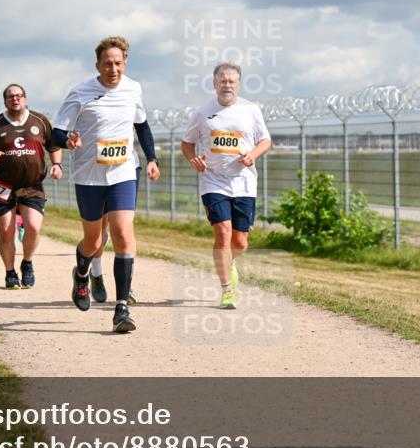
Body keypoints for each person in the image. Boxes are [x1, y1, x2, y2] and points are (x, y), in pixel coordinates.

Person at [52, 36, 160, 333]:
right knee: (95, 242)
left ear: (125, 62)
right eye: (107, 64)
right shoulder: (80, 92)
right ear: (97, 65)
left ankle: (121, 308)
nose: (113, 69)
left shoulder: (133, 88)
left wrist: (151, 158)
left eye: (118, 63)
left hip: (124, 171)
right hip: (89, 175)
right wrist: (68, 139)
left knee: (123, 233)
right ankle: (82, 273)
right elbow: (57, 132)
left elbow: (142, 125)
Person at [182, 62, 272, 309]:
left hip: (244, 182)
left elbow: (265, 140)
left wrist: (253, 154)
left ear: (239, 84)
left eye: (232, 81)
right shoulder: (202, 112)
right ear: (214, 84)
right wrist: (193, 159)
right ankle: (227, 290)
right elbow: (187, 143)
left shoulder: (251, 110)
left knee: (240, 242)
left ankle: (228, 262)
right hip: (213, 180)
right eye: (223, 80)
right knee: (222, 232)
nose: (227, 85)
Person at [0, 84, 63, 289]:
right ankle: (10, 272)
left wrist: (57, 165)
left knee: (33, 227)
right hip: (2, 185)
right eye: (10, 96)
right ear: (5, 101)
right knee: (6, 232)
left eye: (19, 96)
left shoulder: (39, 120)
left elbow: (54, 146)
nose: (15, 99)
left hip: (32, 185)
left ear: (25, 99)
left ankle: (27, 263)